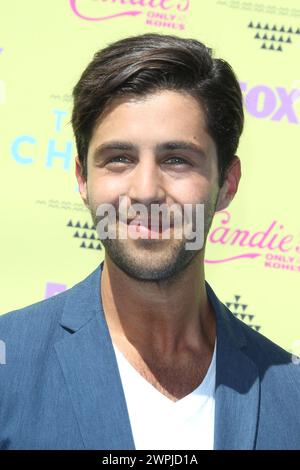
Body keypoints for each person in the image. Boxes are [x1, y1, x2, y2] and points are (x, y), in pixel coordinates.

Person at [0, 33, 299, 451]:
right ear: (83, 180)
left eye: (176, 159)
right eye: (119, 158)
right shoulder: (8, 364)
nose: (145, 191)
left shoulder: (291, 393)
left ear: (227, 184)